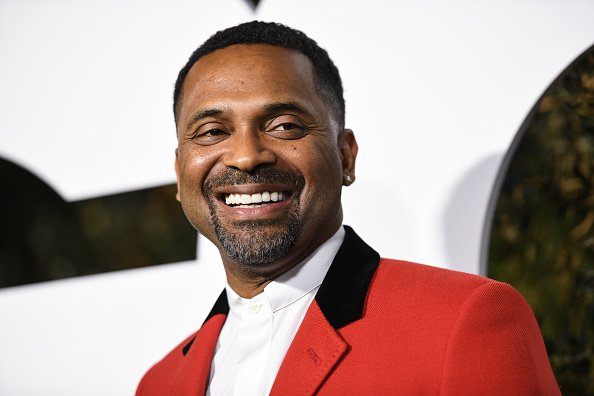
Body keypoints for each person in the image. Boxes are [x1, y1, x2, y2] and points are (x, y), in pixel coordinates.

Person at [136, 21, 560, 395]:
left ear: (346, 156)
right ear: (179, 173)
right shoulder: (159, 382)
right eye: (211, 132)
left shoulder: (465, 322)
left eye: (285, 125)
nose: (246, 156)